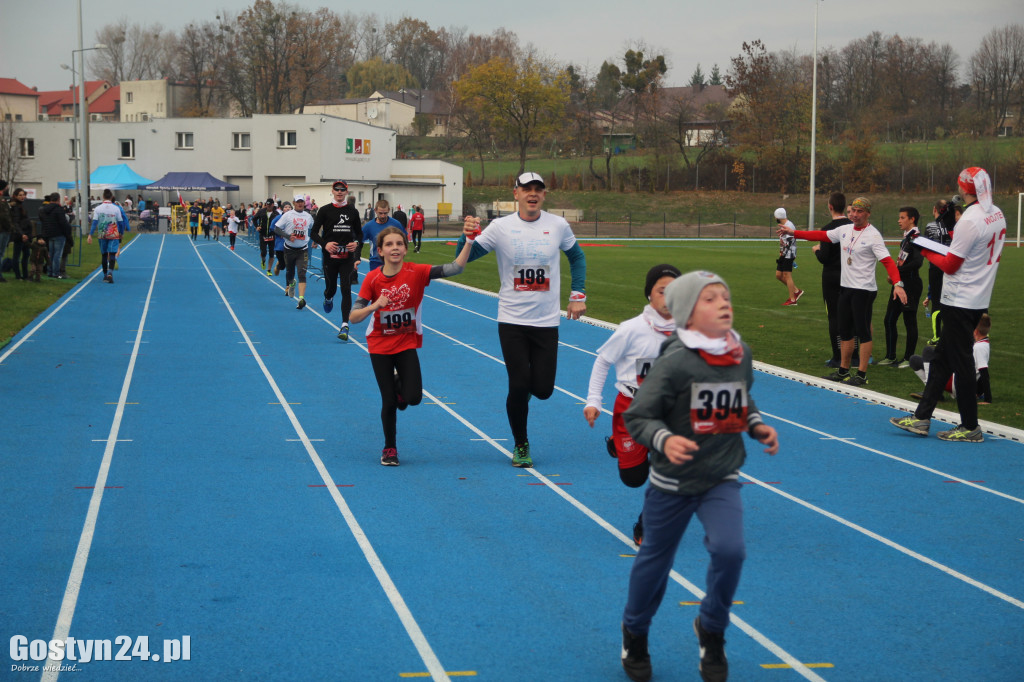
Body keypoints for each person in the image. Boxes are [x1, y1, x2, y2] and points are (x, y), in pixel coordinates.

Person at [619, 270, 778, 682]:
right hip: (671, 484)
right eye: (710, 298)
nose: (723, 303)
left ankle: (712, 628)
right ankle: (634, 632)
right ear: (688, 312)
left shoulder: (740, 352)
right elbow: (638, 416)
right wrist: (664, 439)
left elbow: (742, 400)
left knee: (731, 551)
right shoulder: (674, 361)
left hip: (720, 477)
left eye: (725, 295)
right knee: (654, 562)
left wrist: (757, 425)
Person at [456, 172, 588, 468]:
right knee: (518, 384)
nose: (532, 194)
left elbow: (577, 257)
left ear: (543, 195)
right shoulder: (500, 227)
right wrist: (466, 237)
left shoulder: (558, 225)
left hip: (546, 321)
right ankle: (521, 444)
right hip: (512, 319)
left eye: (537, 189)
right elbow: (463, 259)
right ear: (515, 194)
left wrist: (577, 294)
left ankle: (523, 394)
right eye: (526, 189)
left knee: (542, 390)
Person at [890, 167, 1006, 443]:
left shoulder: (971, 218)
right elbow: (967, 247)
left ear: (964, 188)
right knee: (942, 357)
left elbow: (951, 265)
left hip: (960, 296)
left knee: (961, 361)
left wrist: (923, 246)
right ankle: (922, 418)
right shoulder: (997, 212)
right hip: (978, 295)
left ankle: (970, 425)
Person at [349, 224, 477, 466]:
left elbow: (455, 268)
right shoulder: (373, 279)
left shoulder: (417, 272)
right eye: (389, 244)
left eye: (399, 244)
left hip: (407, 342)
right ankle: (389, 448)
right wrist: (374, 306)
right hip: (379, 345)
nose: (394, 248)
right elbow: (353, 317)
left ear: (405, 249)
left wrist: (469, 240)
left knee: (414, 398)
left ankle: (399, 384)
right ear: (379, 251)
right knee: (388, 401)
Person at [584, 264, 680, 546]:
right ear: (649, 294)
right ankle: (619, 442)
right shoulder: (631, 329)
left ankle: (645, 524)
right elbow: (603, 361)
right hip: (632, 407)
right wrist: (593, 401)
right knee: (633, 478)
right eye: (662, 291)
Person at [778, 197, 907, 386]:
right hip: (845, 288)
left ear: (868, 213)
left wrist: (898, 283)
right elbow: (820, 236)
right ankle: (843, 371)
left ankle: (861, 374)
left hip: (864, 290)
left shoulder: (873, 235)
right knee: (844, 330)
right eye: (852, 211)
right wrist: (793, 232)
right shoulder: (844, 230)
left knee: (863, 332)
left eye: (860, 211)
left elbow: (887, 261)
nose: (855, 215)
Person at [311, 180, 363, 341]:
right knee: (331, 288)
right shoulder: (324, 210)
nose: (339, 192)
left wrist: (356, 244)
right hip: (330, 257)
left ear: (346, 192)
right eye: (337, 189)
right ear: (332, 191)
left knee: (346, 288)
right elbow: (313, 233)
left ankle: (344, 325)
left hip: (347, 256)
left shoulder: (352, 211)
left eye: (343, 190)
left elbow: (360, 234)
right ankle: (328, 296)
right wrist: (325, 244)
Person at [878, 207, 924, 368]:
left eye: (902, 217)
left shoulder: (917, 238)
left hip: (911, 285)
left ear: (912, 219)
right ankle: (890, 356)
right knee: (889, 319)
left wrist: (896, 272)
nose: (899, 220)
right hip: (900, 284)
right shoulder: (907, 238)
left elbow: (918, 262)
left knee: (909, 320)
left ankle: (908, 358)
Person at [812, 192, 850, 367]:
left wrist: (817, 250)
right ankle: (854, 355)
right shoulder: (853, 226)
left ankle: (837, 356)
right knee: (851, 315)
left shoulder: (827, 229)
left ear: (830, 207)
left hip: (832, 277)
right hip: (851, 275)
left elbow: (824, 258)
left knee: (834, 316)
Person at [921, 198, 956, 336]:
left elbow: (925, 246)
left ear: (935, 210)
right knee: (951, 301)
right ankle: (952, 333)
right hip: (952, 266)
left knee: (936, 301)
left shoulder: (930, 226)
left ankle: (937, 336)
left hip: (935, 266)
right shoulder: (954, 227)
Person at [274, 195, 313, 309]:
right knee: (290, 273)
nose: (300, 204)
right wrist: (287, 236)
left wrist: (314, 240)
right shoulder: (287, 215)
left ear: (304, 203)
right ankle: (291, 283)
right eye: (298, 202)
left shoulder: (308, 216)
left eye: (301, 202)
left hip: (303, 249)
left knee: (302, 273)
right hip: (289, 249)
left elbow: (312, 228)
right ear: (294, 203)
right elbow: (276, 228)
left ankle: (301, 299)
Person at [87, 188, 128, 283]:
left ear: (103, 197)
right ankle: (110, 272)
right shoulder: (116, 208)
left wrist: (90, 234)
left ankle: (105, 275)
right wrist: (121, 233)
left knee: (104, 254)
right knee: (112, 254)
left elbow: (94, 222)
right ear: (111, 197)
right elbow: (121, 222)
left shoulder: (98, 208)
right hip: (113, 234)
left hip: (102, 234)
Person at [362, 200, 403, 272]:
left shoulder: (396, 224)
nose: (383, 216)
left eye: (385, 213)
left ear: (389, 210)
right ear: (375, 210)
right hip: (375, 262)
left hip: (393, 261)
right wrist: (356, 258)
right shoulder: (369, 226)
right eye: (380, 213)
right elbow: (358, 241)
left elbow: (404, 241)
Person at [38, 193, 72, 278]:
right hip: (59, 234)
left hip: (49, 234)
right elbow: (63, 222)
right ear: (58, 199)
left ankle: (50, 271)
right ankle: (56, 272)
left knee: (51, 254)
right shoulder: (58, 209)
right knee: (57, 255)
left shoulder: (45, 209)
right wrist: (68, 230)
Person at [773, 208, 802, 306]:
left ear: (778, 216)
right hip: (784, 254)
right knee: (778, 275)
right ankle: (796, 291)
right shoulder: (785, 225)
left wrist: (784, 254)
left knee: (787, 275)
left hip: (788, 254)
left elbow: (789, 242)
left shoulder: (789, 225)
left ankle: (792, 300)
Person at [9, 187, 31, 280]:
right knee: (17, 256)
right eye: (20, 195)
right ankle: (18, 276)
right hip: (19, 234)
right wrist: (22, 234)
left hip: (26, 233)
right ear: (15, 196)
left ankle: (25, 275)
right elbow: (15, 222)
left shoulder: (23, 205)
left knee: (26, 255)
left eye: (23, 195)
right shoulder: (15, 207)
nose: (22, 197)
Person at [254, 199, 276, 274]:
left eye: (270, 205)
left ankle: (269, 270)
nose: (268, 206)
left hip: (272, 235)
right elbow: (254, 219)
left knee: (271, 253)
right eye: (267, 204)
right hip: (263, 234)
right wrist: (257, 226)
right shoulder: (261, 211)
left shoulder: (276, 213)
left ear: (273, 205)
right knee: (263, 252)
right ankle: (263, 260)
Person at [0, 180, 11, 282]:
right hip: (3, 230)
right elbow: (4, 216)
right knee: (0, 253)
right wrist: (10, 227)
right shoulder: (2, 201)